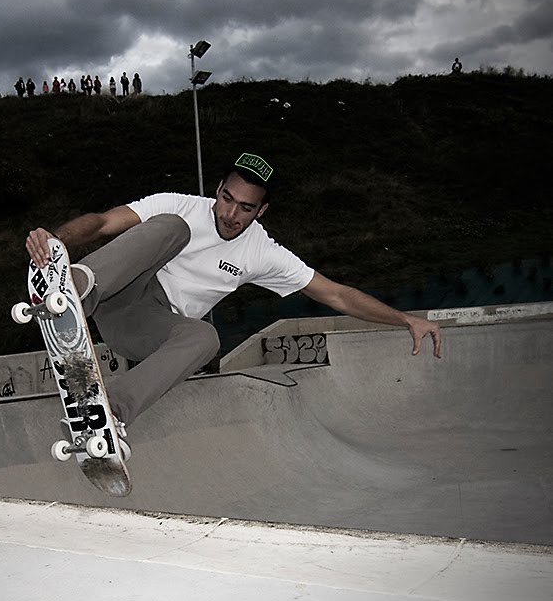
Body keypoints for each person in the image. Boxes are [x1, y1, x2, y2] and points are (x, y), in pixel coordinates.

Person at [25, 152, 442, 441]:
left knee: (206, 338)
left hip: (144, 328)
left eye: (245, 208)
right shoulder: (180, 205)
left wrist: (404, 319)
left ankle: (106, 412)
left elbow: (337, 295)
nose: (230, 214)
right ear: (219, 188)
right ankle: (72, 285)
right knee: (172, 226)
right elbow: (102, 223)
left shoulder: (262, 252)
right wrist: (54, 241)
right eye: (227, 199)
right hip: (118, 287)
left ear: (261, 211)